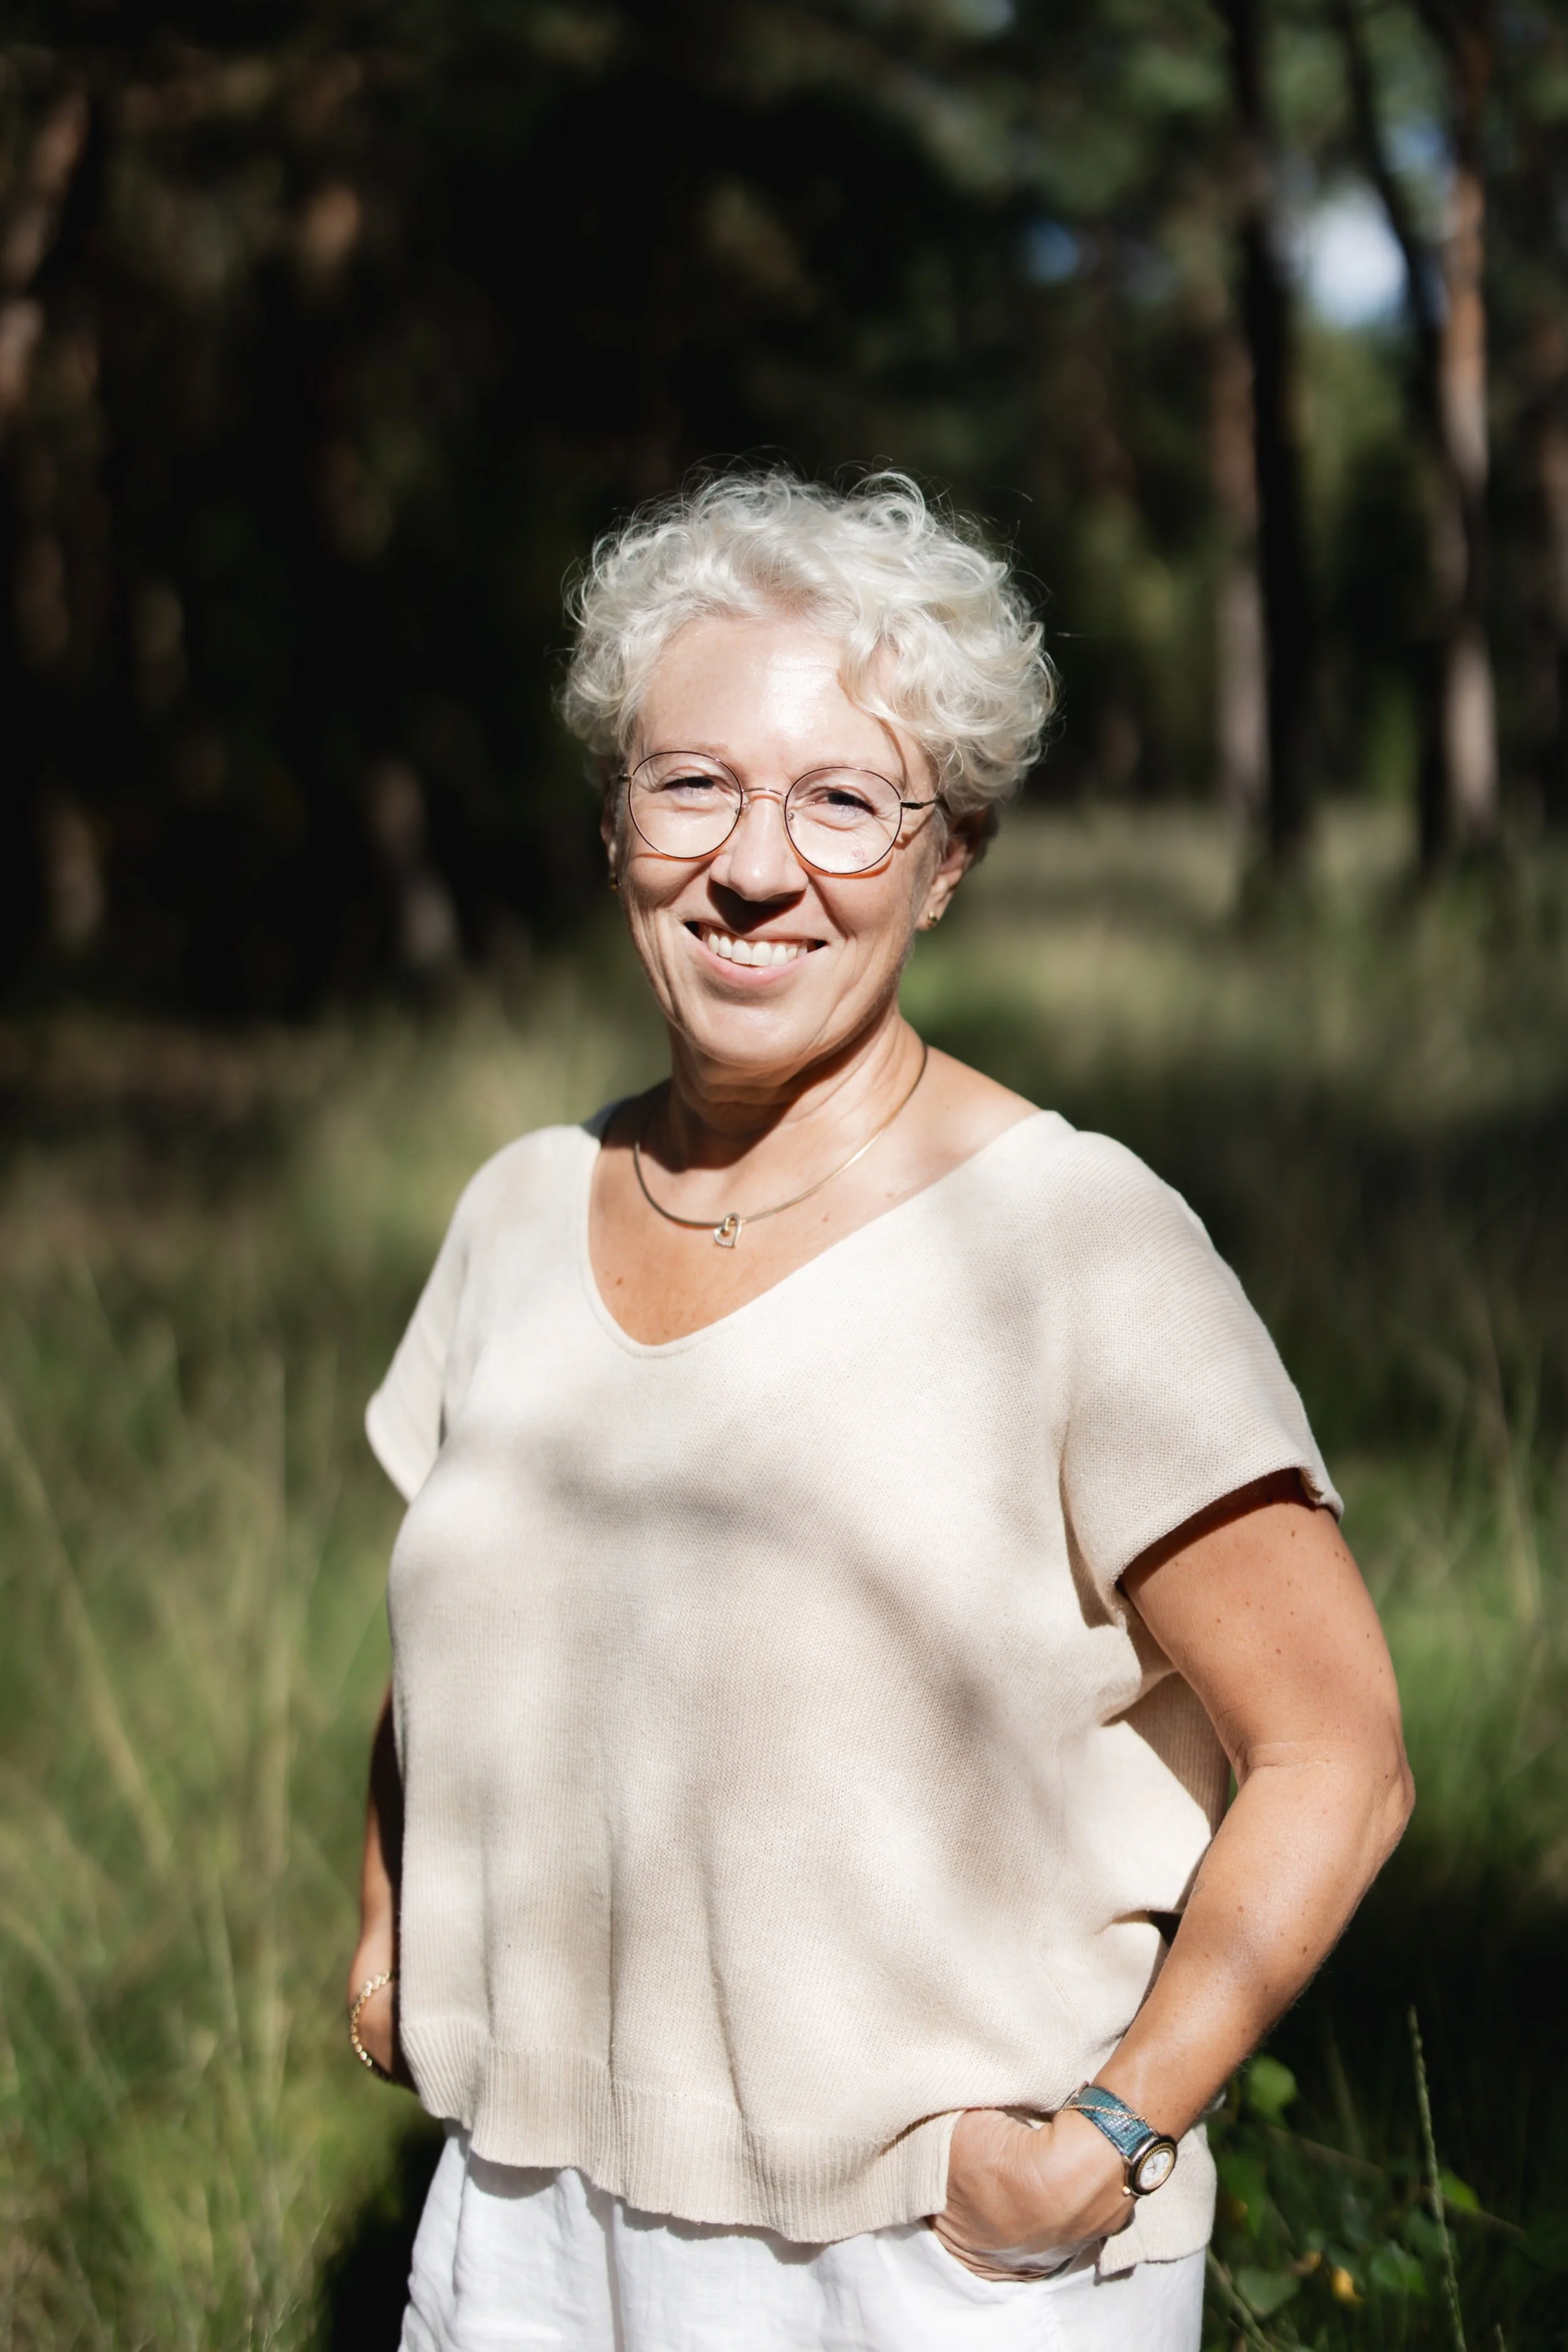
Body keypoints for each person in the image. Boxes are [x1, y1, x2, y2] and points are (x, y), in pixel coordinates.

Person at [347, 470, 1413, 2352]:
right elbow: (448, 1614)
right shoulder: (515, 1209)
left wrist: (1103, 2132)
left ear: (947, 859)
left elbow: (1337, 1755)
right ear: (613, 826)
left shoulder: (1080, 1242)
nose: (757, 868)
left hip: (920, 2274)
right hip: (522, 2234)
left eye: (845, 801)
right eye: (693, 784)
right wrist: (391, 1930)